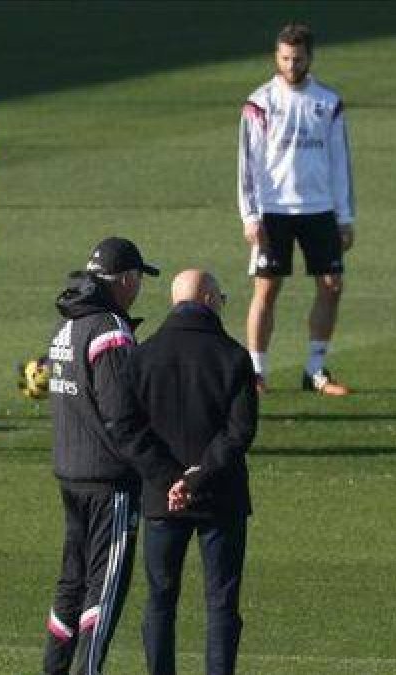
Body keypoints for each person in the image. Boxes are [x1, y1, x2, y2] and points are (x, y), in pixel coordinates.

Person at [111, 270, 256, 675]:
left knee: (160, 599)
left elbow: (125, 428)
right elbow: (240, 432)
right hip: (220, 495)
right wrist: (196, 477)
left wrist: (168, 479)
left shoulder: (142, 355)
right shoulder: (233, 355)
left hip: (161, 497)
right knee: (222, 602)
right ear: (208, 298)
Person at [41, 237, 159, 675]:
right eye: (138, 279)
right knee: (104, 591)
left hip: (70, 473)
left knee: (71, 586)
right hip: (109, 480)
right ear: (126, 280)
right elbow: (120, 413)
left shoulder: (67, 325)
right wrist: (157, 470)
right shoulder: (109, 328)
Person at [238, 22, 354, 396]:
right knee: (267, 289)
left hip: (319, 209)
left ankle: (315, 370)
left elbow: (340, 162)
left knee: (332, 285)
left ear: (310, 58)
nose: (291, 66)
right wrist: (250, 216)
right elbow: (247, 164)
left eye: (298, 59)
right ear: (277, 57)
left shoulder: (328, 102)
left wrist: (345, 216)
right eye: (286, 59)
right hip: (273, 210)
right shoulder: (260, 103)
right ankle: (256, 373)